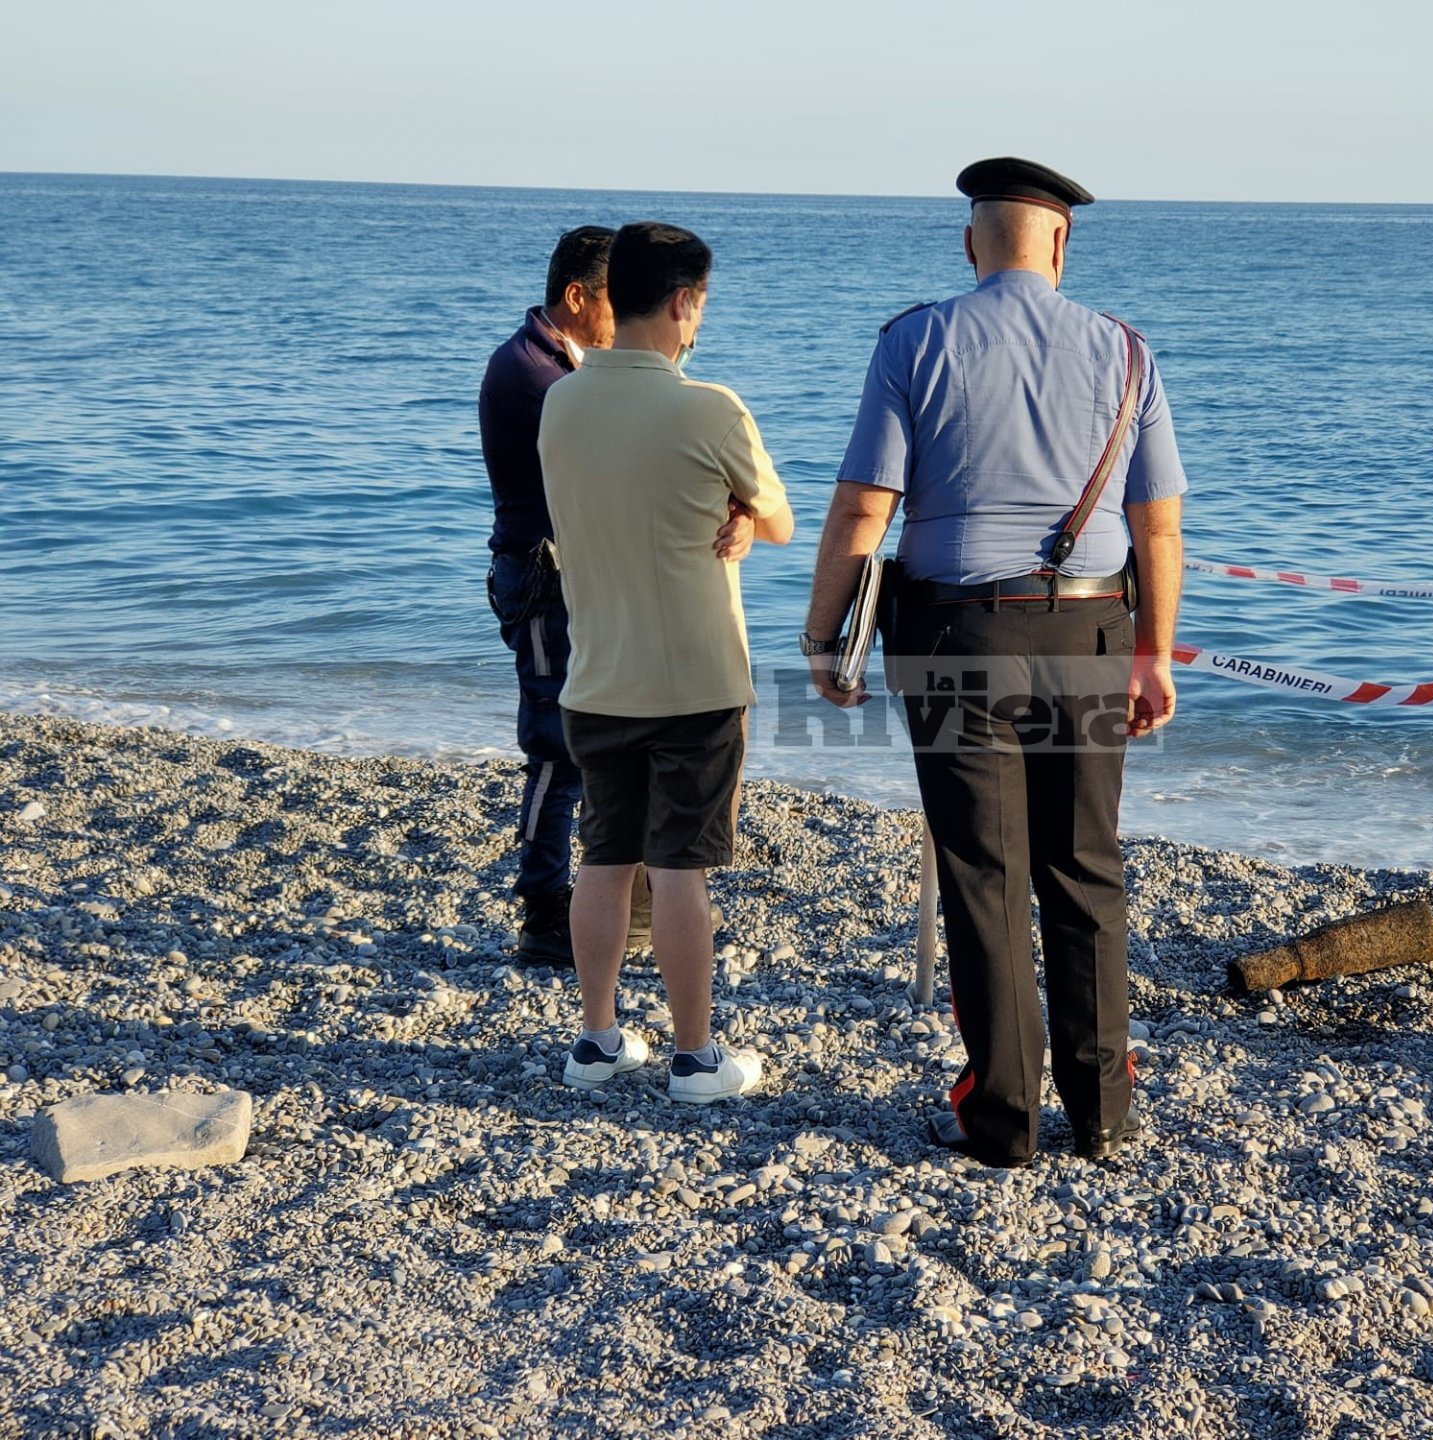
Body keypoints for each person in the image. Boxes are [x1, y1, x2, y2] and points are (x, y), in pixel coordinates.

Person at [803, 158, 1187, 1165]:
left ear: (973, 244)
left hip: (954, 636)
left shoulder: (914, 340)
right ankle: (1104, 1112)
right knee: (1087, 868)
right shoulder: (1127, 353)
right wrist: (1154, 654)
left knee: (982, 872)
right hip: (1094, 633)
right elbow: (1161, 529)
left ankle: (1003, 1118)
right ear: (1060, 244)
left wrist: (823, 632)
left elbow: (862, 509)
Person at [539, 221, 794, 1102]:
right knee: (683, 866)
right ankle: (693, 1056)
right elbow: (782, 519)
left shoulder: (560, 402)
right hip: (694, 678)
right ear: (683, 301)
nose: (698, 325)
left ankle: (598, 1040)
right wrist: (740, 518)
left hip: (596, 672)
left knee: (604, 856)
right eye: (699, 308)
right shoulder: (709, 407)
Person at [480, 227, 750, 964]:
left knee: (586, 744)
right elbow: (627, 469)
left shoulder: (563, 372)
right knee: (554, 748)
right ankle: (542, 912)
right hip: (541, 575)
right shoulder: (536, 378)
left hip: (575, 576)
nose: (618, 324)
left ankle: (611, 906)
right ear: (576, 297)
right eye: (608, 304)